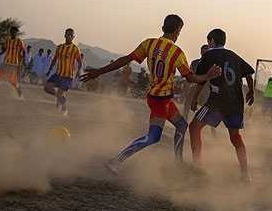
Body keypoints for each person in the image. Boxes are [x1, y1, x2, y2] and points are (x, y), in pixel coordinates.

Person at [80, 14, 221, 174]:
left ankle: (178, 163)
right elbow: (190, 78)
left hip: (158, 96)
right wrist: (208, 76)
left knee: (182, 125)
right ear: (178, 30)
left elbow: (125, 59)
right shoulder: (176, 53)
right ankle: (116, 160)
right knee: (154, 136)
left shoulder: (149, 43)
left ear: (162, 28)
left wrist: (99, 71)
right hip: (161, 99)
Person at [189, 29, 255, 182]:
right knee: (236, 136)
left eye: (208, 41)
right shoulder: (234, 56)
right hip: (236, 101)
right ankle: (245, 174)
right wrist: (251, 92)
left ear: (212, 41)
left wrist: (195, 98)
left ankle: (197, 165)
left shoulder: (208, 56)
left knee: (194, 126)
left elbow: (201, 80)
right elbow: (248, 75)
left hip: (218, 101)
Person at [44, 28, 82, 117]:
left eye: (70, 35)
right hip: (58, 74)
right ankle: (58, 97)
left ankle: (64, 107)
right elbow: (55, 59)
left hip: (68, 76)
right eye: (67, 34)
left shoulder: (75, 49)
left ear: (73, 37)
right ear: (64, 35)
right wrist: (49, 70)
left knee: (60, 93)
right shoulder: (59, 47)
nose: (69, 36)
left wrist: (78, 72)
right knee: (46, 88)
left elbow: (79, 61)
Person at [0, 26, 25, 97]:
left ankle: (17, 88)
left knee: (10, 78)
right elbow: (4, 50)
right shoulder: (7, 41)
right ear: (10, 32)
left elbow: (23, 51)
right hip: (6, 61)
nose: (14, 33)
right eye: (13, 32)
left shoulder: (19, 41)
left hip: (14, 63)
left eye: (15, 32)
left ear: (16, 33)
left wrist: (22, 61)